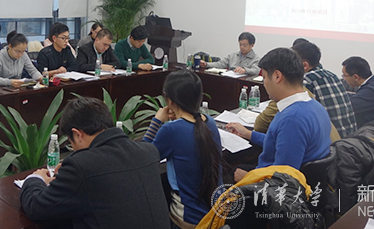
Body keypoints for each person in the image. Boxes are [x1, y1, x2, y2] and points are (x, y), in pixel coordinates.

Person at [20, 97, 169, 229]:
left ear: (77, 134)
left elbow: (36, 207)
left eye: (71, 143)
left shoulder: (82, 166)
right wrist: (68, 176)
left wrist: (36, 178)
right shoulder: (148, 151)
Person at [227, 48, 332, 182]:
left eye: (265, 78)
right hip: (305, 181)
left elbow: (282, 181)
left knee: (227, 171)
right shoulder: (314, 106)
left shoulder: (292, 119)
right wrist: (249, 134)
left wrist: (247, 178)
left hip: (273, 186)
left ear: (277, 76)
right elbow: (283, 143)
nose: (264, 83)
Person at [143, 70, 223, 227]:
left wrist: (157, 121)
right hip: (215, 214)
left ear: (169, 100)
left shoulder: (172, 130)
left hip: (188, 218)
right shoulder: (209, 121)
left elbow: (141, 157)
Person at [292, 41, 357, 137]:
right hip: (351, 139)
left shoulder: (306, 81)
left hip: (331, 142)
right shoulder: (332, 76)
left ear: (305, 65)